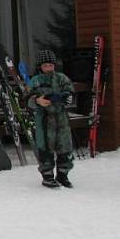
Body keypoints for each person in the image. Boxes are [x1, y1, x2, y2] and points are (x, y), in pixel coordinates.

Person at [27, 49, 75, 188]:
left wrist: (68, 97)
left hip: (61, 118)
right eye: (45, 66)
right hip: (44, 119)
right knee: (45, 148)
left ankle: (63, 174)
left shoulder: (61, 78)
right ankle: (47, 176)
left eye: (51, 65)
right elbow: (27, 98)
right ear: (40, 67)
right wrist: (36, 100)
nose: (49, 68)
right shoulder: (35, 81)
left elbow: (69, 90)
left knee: (65, 146)